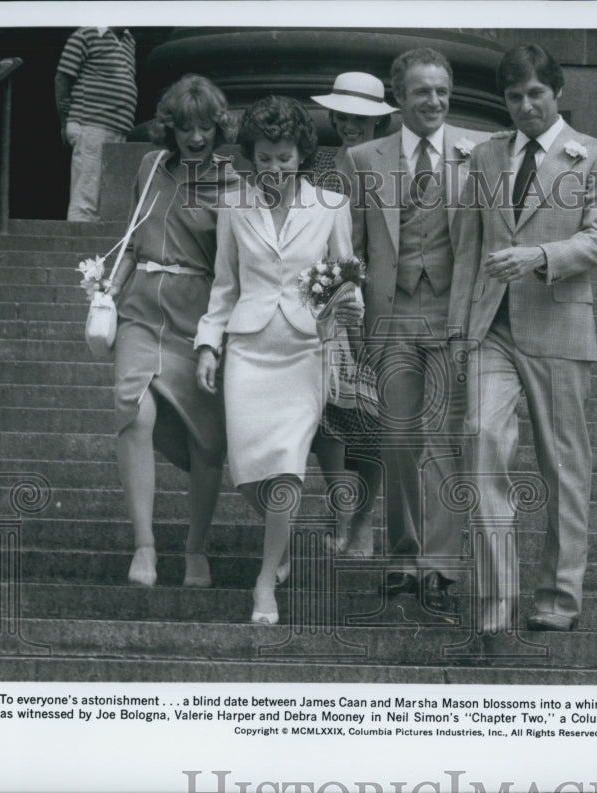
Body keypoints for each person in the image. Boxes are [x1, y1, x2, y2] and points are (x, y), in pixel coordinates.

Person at [448, 44, 597, 633]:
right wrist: (457, 332)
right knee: (479, 439)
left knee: (563, 465)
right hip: (490, 327)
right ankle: (496, 600)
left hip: (559, 325)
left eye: (535, 95)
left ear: (557, 92)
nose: (525, 106)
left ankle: (557, 599)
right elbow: (468, 249)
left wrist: (539, 255)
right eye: (514, 97)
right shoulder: (487, 156)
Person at [195, 96, 358, 625]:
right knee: (247, 475)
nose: (275, 168)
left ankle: (265, 582)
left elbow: (345, 279)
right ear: (251, 156)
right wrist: (207, 345)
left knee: (287, 467)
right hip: (248, 350)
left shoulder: (331, 205)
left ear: (301, 155)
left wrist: (347, 311)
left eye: (284, 157)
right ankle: (280, 543)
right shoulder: (232, 205)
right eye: (264, 157)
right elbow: (224, 286)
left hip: (306, 350)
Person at [343, 48, 490, 613]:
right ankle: (404, 557)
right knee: (399, 439)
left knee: (443, 439)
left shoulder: (478, 151)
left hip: (452, 315)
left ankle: (441, 566)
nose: (434, 101)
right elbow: (352, 247)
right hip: (391, 313)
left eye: (442, 91)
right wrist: (349, 320)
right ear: (398, 97)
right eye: (422, 91)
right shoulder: (362, 158)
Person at [105, 74, 240, 589]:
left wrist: (220, 334)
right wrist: (108, 291)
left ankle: (196, 548)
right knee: (133, 410)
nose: (196, 137)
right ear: (171, 128)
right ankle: (144, 546)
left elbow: (233, 268)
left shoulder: (233, 185)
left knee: (206, 440)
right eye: (185, 127)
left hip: (198, 318)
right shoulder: (150, 166)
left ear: (218, 127)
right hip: (141, 309)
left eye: (205, 126)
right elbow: (133, 241)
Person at [308, 72, 396, 556]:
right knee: (334, 416)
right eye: (342, 115)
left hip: (387, 305)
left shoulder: (394, 167)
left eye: (360, 117)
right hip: (332, 305)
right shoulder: (320, 165)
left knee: (379, 422)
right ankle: (339, 507)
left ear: (379, 120)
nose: (349, 124)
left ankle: (363, 519)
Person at [55, 27, 137, 221]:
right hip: (91, 124)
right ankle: (78, 246)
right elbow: (61, 80)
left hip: (119, 128)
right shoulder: (86, 34)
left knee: (105, 198)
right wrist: (65, 122)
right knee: (86, 195)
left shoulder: (129, 39)